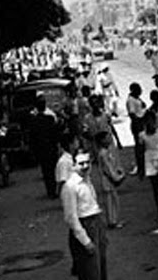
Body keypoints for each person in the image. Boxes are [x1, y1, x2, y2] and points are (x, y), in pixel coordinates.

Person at [61, 152, 107, 280]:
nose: (86, 166)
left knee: (100, 267)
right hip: (85, 227)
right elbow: (71, 217)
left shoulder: (87, 180)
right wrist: (85, 241)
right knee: (90, 271)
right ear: (73, 165)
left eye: (88, 162)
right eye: (81, 163)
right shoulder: (70, 186)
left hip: (96, 224)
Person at [29, 94, 61, 199]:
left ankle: (50, 191)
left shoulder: (34, 121)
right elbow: (56, 134)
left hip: (42, 149)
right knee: (53, 169)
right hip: (51, 148)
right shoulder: (50, 118)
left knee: (46, 171)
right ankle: (54, 189)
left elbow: (32, 137)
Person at [96, 132, 125, 229]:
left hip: (108, 179)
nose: (109, 139)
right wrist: (116, 177)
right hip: (107, 179)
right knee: (110, 201)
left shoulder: (106, 151)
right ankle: (112, 221)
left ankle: (114, 219)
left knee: (112, 200)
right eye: (107, 138)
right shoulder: (103, 153)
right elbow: (108, 168)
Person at [126, 83, 147, 176]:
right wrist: (140, 121)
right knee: (139, 146)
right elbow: (132, 114)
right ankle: (139, 166)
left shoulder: (137, 99)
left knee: (144, 145)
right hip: (138, 125)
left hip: (142, 123)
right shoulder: (131, 100)